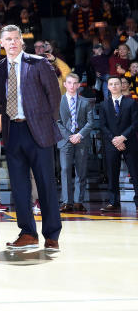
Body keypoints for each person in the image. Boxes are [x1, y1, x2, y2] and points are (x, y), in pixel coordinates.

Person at [0, 24, 61, 250]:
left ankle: (52, 235)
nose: (12, 43)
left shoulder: (38, 63)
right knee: (19, 188)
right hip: (13, 132)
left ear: (22, 41)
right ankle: (28, 233)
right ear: (1, 43)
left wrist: (48, 124)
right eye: (7, 39)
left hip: (38, 131)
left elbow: (54, 95)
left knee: (46, 185)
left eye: (15, 39)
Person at [97, 76, 138, 213]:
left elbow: (135, 123)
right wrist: (115, 139)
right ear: (108, 87)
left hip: (129, 142)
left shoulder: (131, 103)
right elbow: (102, 126)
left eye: (116, 84)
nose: (114, 86)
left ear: (122, 86)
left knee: (135, 173)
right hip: (111, 144)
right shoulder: (103, 105)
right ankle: (113, 202)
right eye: (111, 84)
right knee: (112, 174)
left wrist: (122, 137)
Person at [57, 73, 94, 213]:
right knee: (65, 170)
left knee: (81, 171)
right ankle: (67, 202)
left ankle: (79, 201)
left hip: (81, 140)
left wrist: (79, 135)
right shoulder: (58, 101)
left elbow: (90, 122)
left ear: (79, 85)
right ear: (65, 84)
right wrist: (70, 136)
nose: (72, 86)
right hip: (65, 140)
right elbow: (57, 122)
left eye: (75, 83)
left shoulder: (85, 102)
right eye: (69, 83)